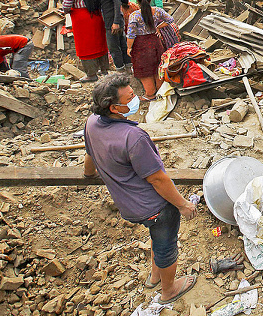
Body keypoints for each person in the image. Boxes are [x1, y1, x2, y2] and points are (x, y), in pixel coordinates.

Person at [83, 74, 197, 304]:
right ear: (115, 107)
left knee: (157, 236)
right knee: (166, 244)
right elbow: (158, 179)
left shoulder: (92, 123)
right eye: (130, 97)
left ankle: (154, 276)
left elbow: (90, 154)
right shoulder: (133, 138)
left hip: (129, 205)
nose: (136, 98)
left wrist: (88, 175)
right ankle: (169, 290)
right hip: (155, 208)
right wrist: (182, 204)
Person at [127, 0, 180, 101]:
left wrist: (129, 47)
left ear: (137, 1)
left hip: (140, 45)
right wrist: (158, 27)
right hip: (155, 42)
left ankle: (150, 94)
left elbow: (131, 34)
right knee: (157, 67)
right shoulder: (157, 11)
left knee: (144, 70)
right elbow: (170, 19)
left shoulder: (135, 15)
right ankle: (160, 91)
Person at [63, 0, 110, 82]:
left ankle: (91, 74)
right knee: (100, 44)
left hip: (81, 20)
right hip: (97, 16)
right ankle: (104, 70)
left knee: (85, 47)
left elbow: (66, 7)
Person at [89, 0, 129, 71]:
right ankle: (127, 70)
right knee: (121, 45)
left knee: (114, 48)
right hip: (110, 18)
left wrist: (116, 22)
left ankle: (121, 72)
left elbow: (117, 2)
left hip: (113, 19)